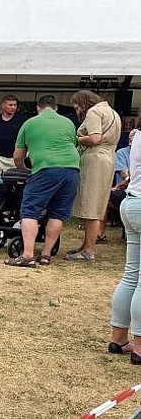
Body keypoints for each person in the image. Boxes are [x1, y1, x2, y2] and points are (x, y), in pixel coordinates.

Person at [4, 95, 80, 267]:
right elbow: (73, 144)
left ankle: (28, 255)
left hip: (46, 169)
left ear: (38, 108)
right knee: (58, 213)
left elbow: (17, 156)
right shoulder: (68, 123)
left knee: (30, 210)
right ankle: (45, 255)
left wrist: (24, 170)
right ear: (56, 108)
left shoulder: (30, 123)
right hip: (72, 170)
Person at [66, 90, 122, 260]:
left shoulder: (94, 112)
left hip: (95, 160)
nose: (77, 112)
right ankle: (85, 246)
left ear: (84, 103)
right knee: (96, 204)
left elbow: (95, 138)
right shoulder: (112, 112)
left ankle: (88, 250)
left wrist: (76, 139)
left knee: (92, 206)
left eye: (77, 107)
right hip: (108, 158)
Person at [110, 128, 141, 364]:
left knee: (131, 275)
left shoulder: (137, 135)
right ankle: (139, 347)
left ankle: (119, 339)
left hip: (131, 204)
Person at [0, 94, 26, 214]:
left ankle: (12, 210)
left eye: (15, 105)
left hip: (14, 158)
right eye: (10, 105)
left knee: (15, 185)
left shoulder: (21, 120)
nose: (13, 107)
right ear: (3, 106)